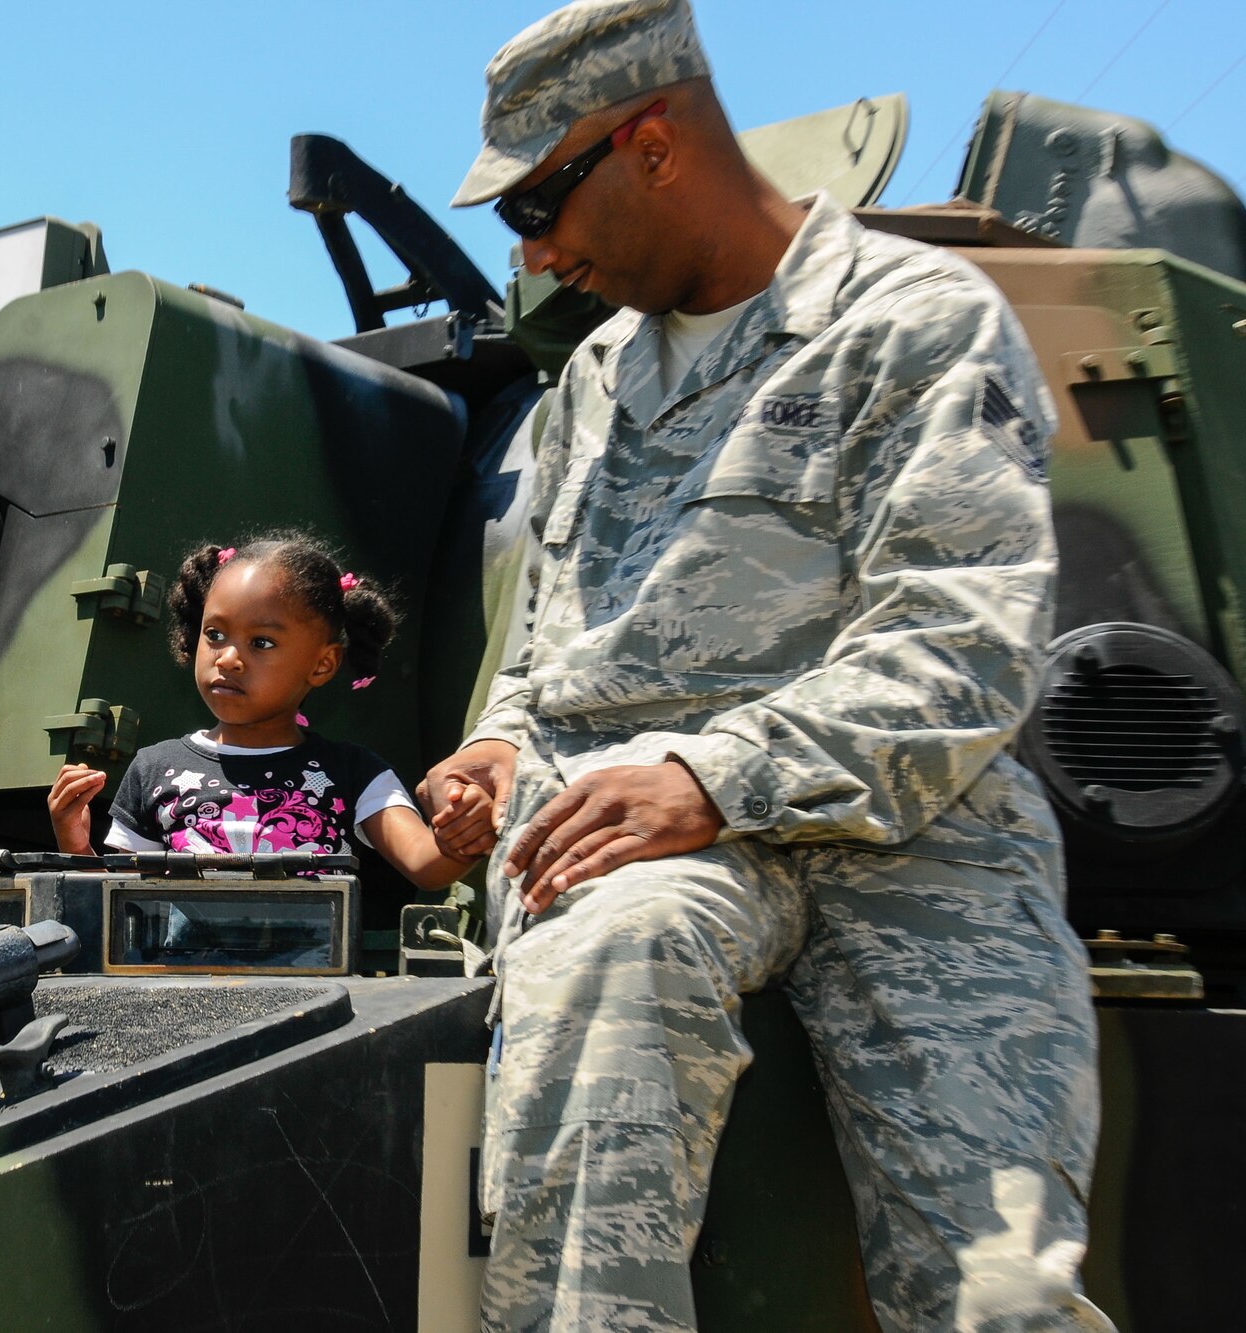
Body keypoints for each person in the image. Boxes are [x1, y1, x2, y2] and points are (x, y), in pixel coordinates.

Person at [419, 2, 1111, 1330]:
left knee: (1003, 1290)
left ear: (658, 141)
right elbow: (543, 651)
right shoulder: (591, 387)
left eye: (543, 203)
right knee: (603, 970)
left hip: (914, 835)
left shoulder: (913, 324)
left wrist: (713, 772)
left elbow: (960, 648)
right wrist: (499, 745)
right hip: (642, 839)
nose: (540, 251)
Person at [49, 532, 483, 890]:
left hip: (311, 992)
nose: (229, 658)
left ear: (322, 664)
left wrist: (468, 831)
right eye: (215, 634)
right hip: (179, 990)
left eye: (262, 643)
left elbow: (428, 866)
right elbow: (117, 901)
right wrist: (74, 840)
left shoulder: (354, 773)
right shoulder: (152, 768)